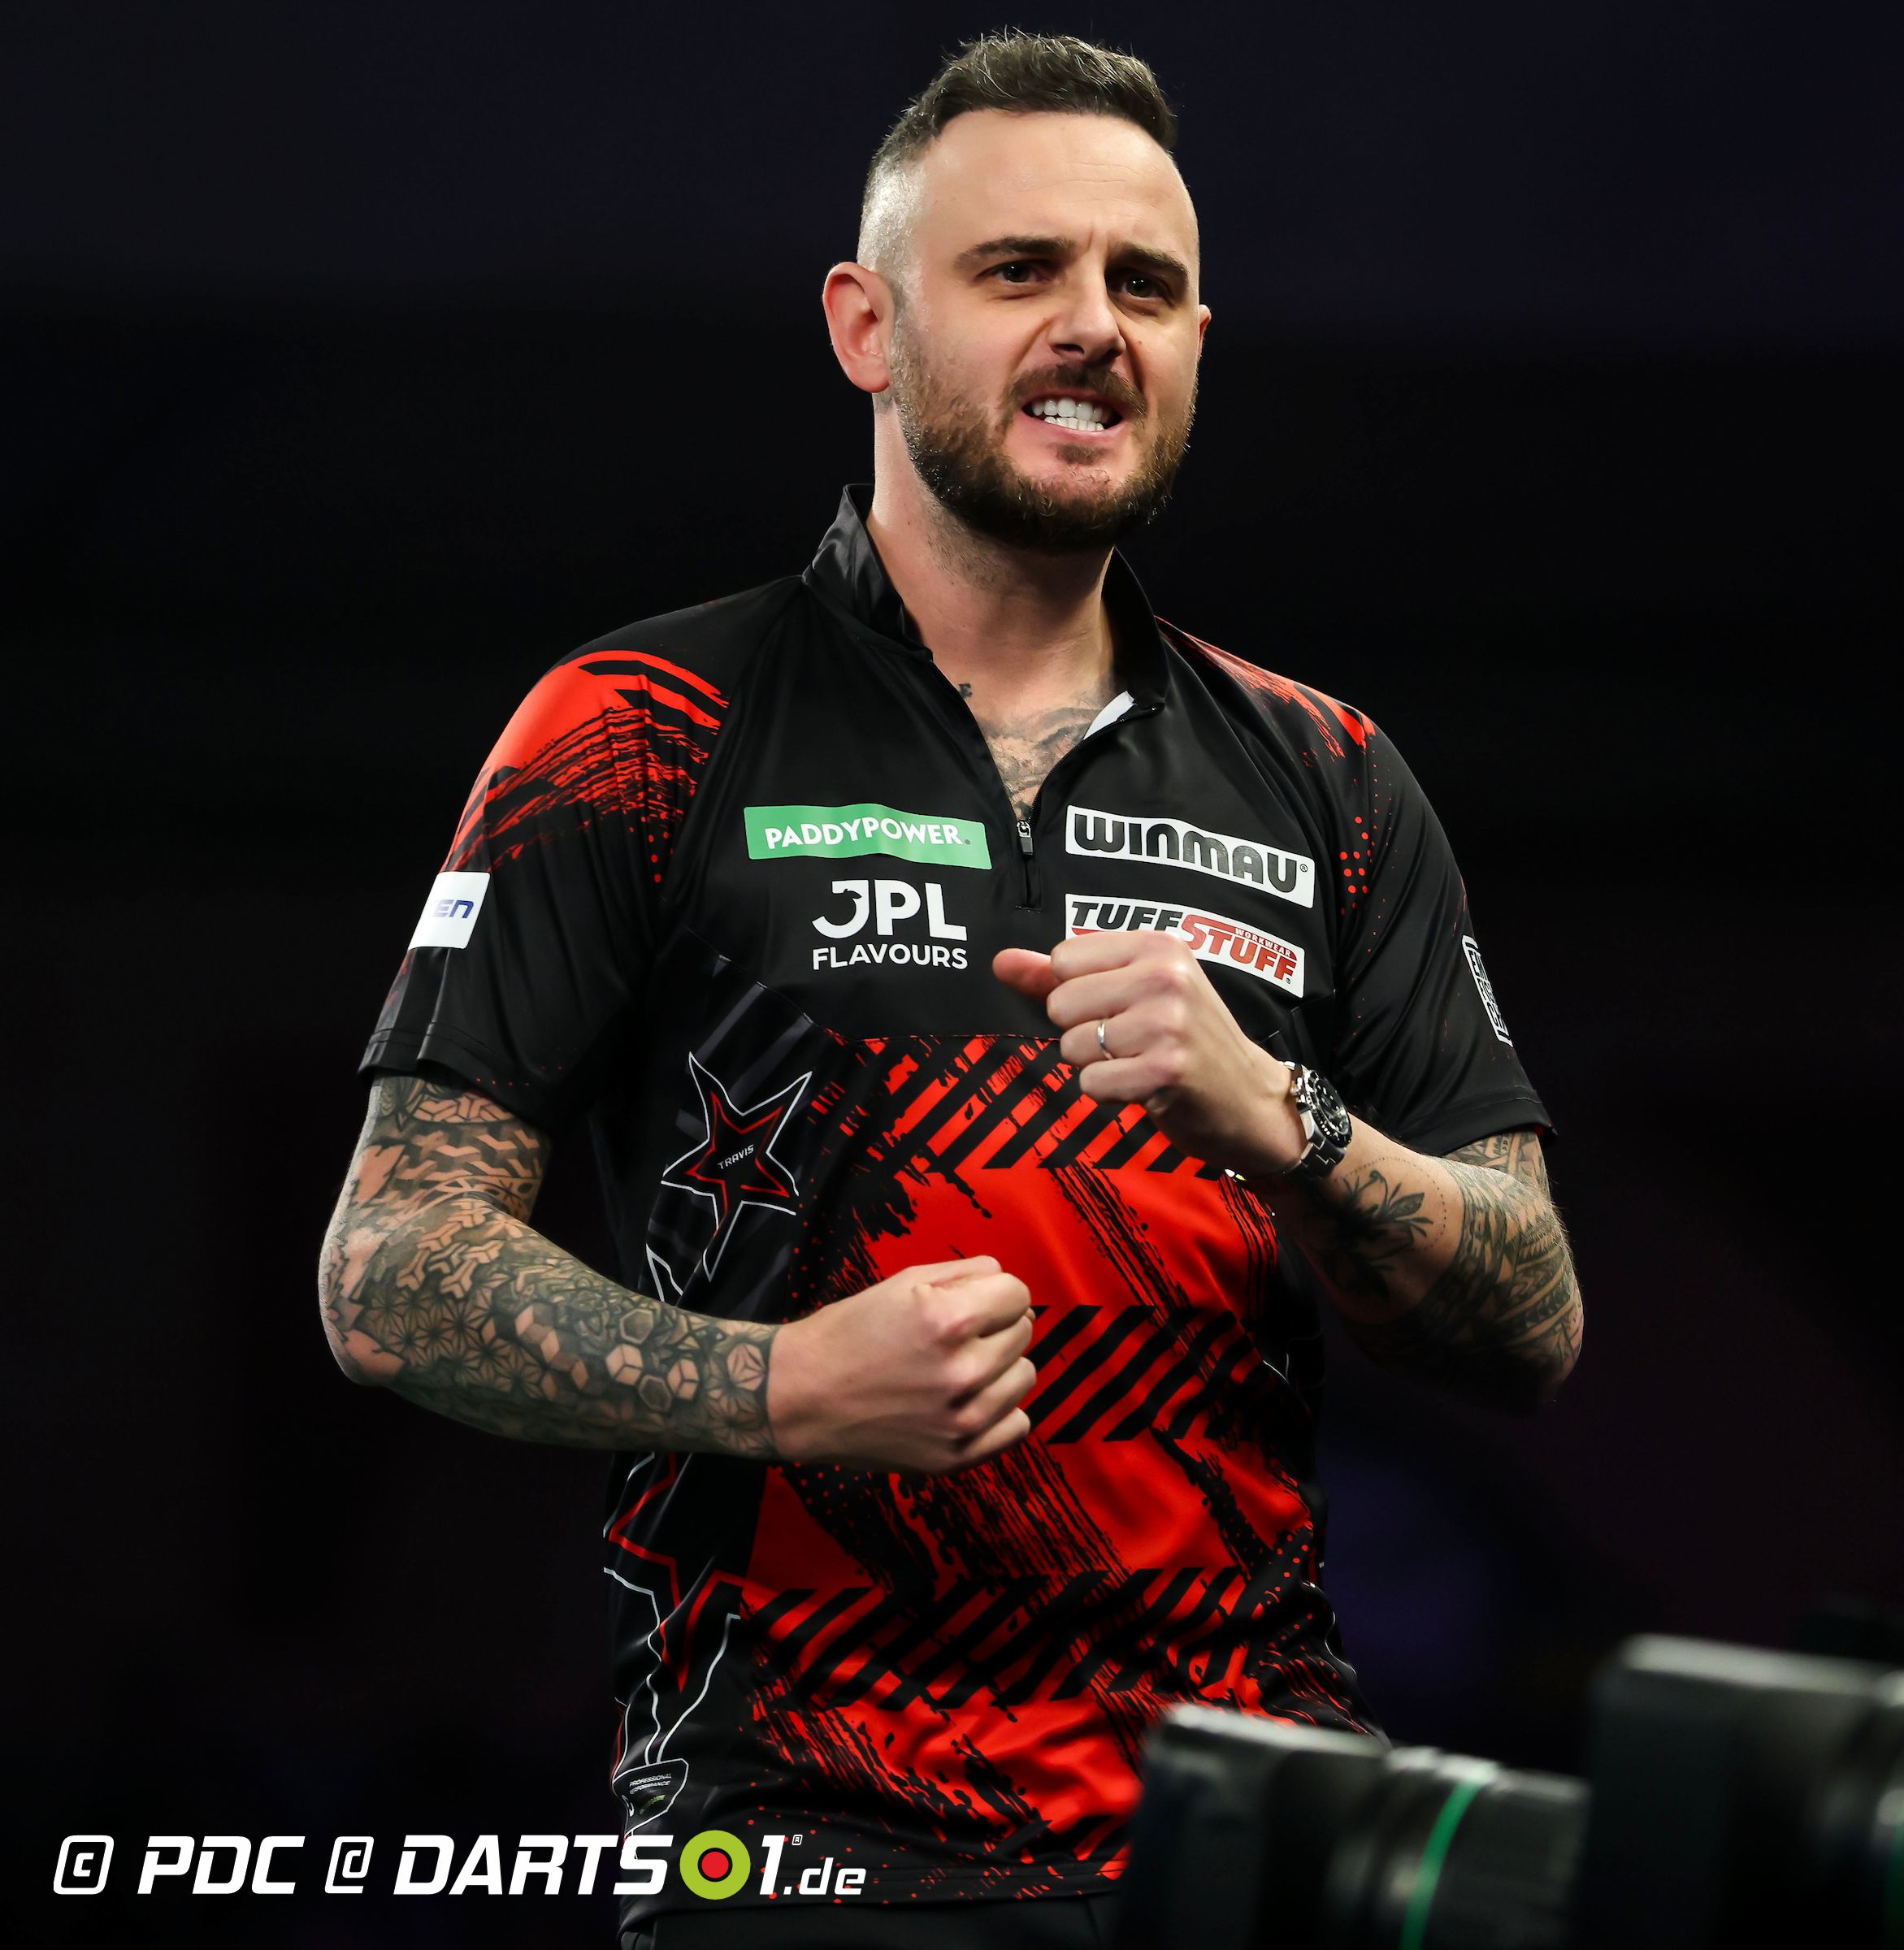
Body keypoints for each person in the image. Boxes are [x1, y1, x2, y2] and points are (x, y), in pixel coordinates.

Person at [319, 30, 1581, 1950]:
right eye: (1017, 271)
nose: (1091, 326)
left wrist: (1288, 1122)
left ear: (1193, 343)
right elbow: (389, 1266)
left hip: (1258, 1832)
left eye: (1140, 284)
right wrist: (778, 1385)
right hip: (806, 1840)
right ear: (866, 325)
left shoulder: (1329, 775)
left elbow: (1529, 1317)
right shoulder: (638, 727)